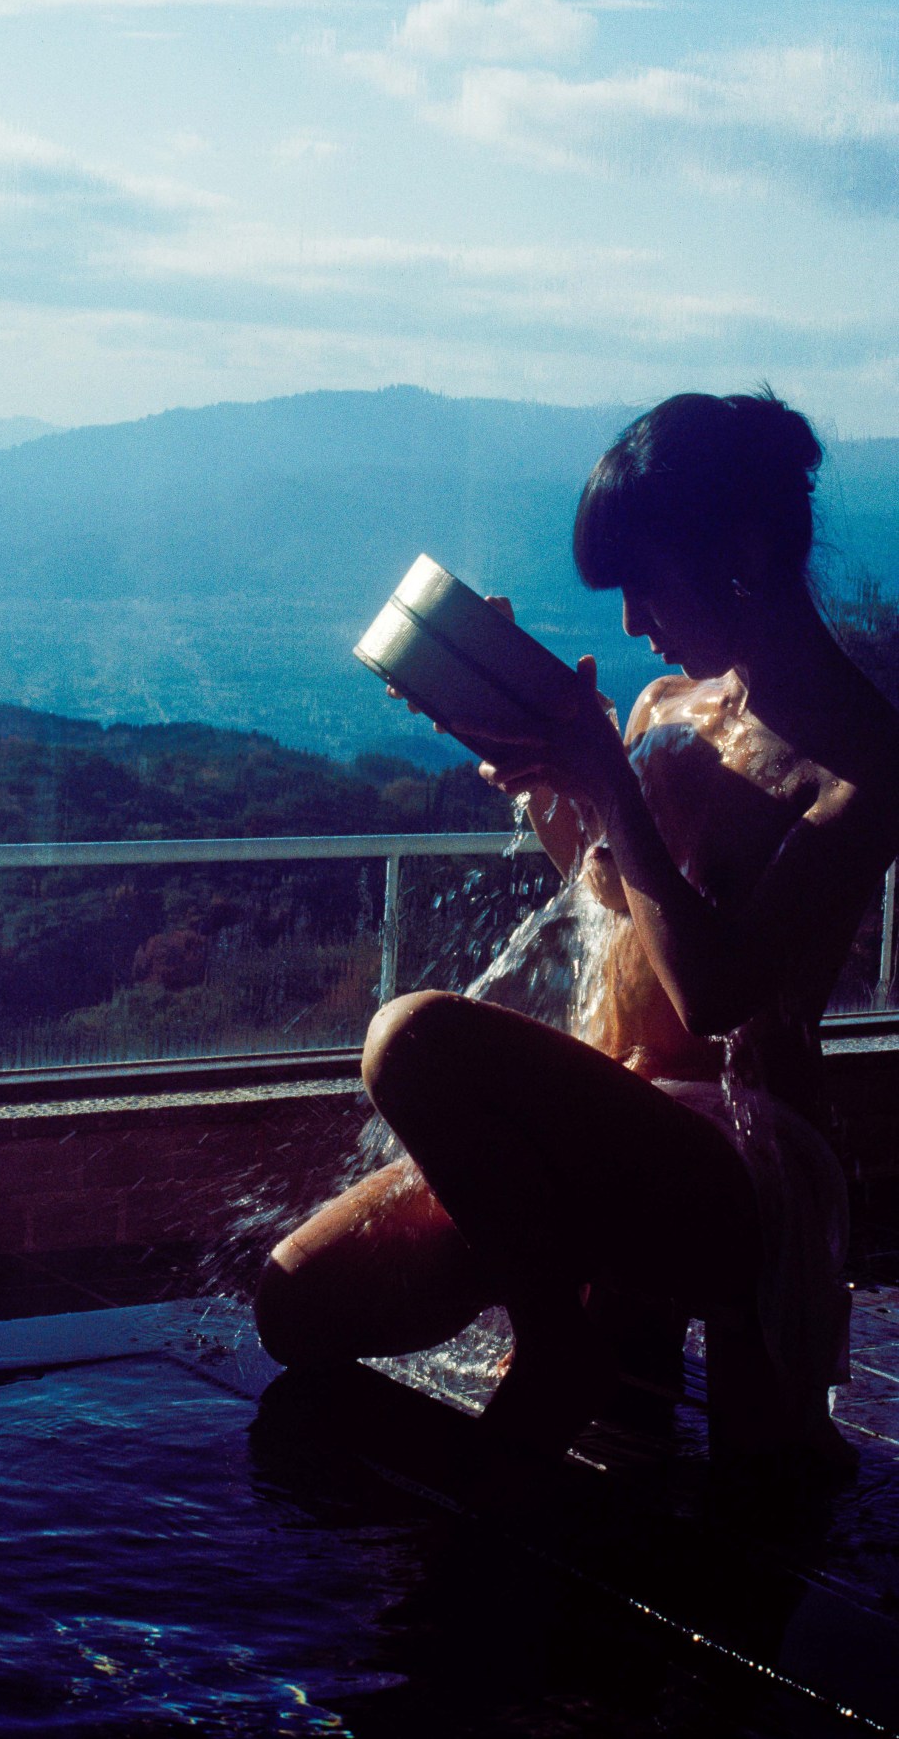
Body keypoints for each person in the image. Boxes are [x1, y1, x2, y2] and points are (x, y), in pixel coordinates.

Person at [254, 390, 899, 1474]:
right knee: (297, 1304)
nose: (635, 623)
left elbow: (715, 995)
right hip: (616, 1105)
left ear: (742, 552)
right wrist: (542, 769)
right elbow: (618, 902)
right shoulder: (668, 706)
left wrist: (612, 783)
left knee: (410, 1038)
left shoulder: (863, 764)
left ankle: (563, 1348)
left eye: (646, 583)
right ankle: (586, 1326)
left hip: (742, 1165)